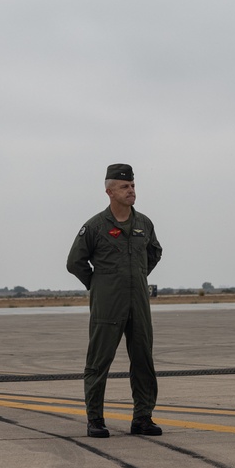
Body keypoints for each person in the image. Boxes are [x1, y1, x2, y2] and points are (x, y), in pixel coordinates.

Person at [67, 163, 163, 439]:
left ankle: (143, 417)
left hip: (139, 303)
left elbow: (154, 253)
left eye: (132, 185)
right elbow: (75, 262)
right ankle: (95, 419)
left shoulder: (144, 223)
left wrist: (138, 276)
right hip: (108, 303)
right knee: (99, 361)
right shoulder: (95, 226)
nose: (131, 190)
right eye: (124, 186)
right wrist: (99, 284)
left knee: (143, 359)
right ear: (109, 191)